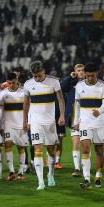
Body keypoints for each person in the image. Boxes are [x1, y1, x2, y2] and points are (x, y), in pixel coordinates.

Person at [23, 61, 65, 190]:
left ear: (44, 71)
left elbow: (60, 99)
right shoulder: (28, 84)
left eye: (39, 76)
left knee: (51, 150)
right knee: (37, 149)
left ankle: (50, 174)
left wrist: (62, 115)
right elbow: (26, 104)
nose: (37, 78)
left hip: (50, 122)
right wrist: (24, 121)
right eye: (34, 76)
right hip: (35, 122)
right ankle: (41, 181)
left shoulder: (53, 81)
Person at [74, 63, 104, 189]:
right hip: (85, 123)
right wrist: (76, 121)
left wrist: (99, 110)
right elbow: (77, 105)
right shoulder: (79, 85)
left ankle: (98, 177)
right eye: (87, 76)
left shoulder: (102, 85)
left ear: (96, 74)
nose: (89, 78)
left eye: (92, 76)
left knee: (99, 150)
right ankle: (86, 178)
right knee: (85, 149)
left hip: (99, 123)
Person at [0, 73, 29, 181]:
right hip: (9, 124)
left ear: (17, 80)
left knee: (21, 147)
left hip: (21, 124)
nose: (11, 85)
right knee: (8, 145)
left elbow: (28, 108)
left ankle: (20, 172)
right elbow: (1, 111)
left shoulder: (23, 92)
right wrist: (1, 126)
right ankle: (11, 171)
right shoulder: (3, 94)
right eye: (9, 83)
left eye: (13, 82)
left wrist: (27, 122)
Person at [60, 64, 85, 177]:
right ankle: (77, 168)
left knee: (86, 145)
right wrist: (70, 77)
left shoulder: (88, 84)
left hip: (87, 120)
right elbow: (60, 88)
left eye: (82, 70)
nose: (80, 72)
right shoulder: (71, 84)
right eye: (78, 70)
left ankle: (86, 167)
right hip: (73, 119)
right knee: (76, 143)